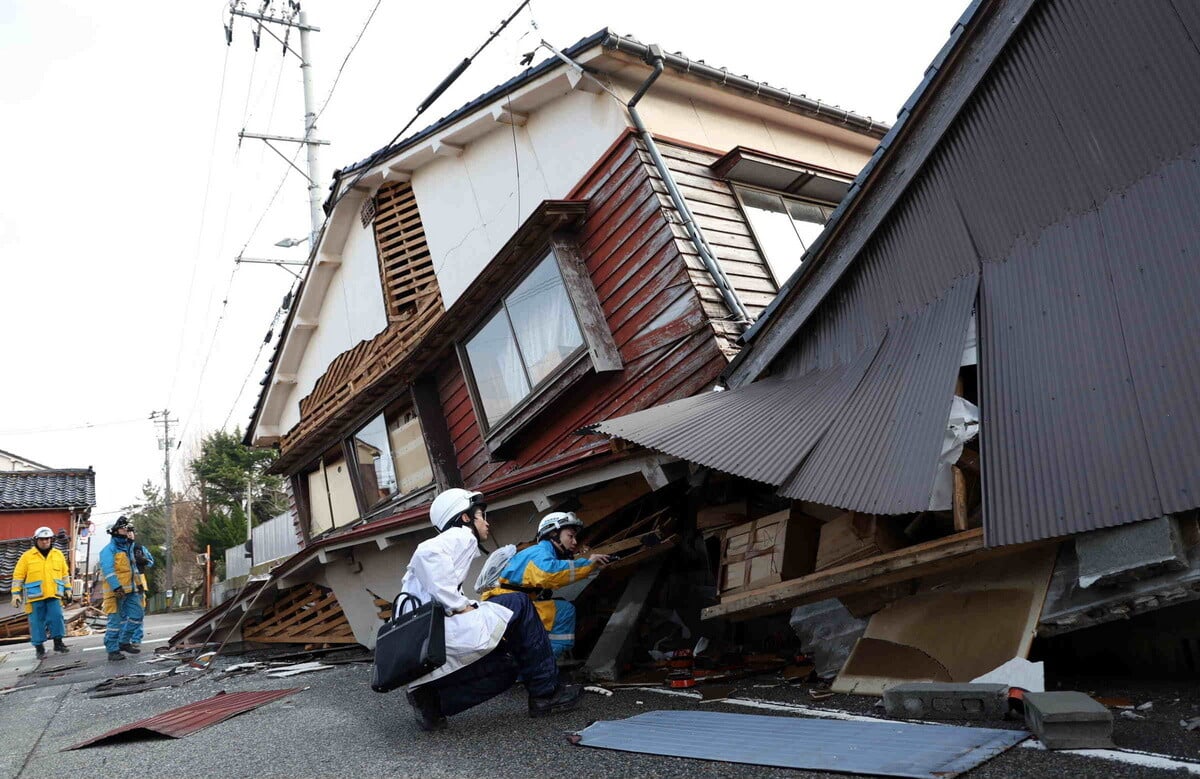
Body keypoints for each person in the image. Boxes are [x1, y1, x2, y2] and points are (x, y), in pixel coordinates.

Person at [400, 488, 583, 731]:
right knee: (519, 603)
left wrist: (460, 605)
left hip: (426, 636)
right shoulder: (460, 535)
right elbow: (426, 553)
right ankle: (546, 694)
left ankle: (431, 702)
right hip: (440, 630)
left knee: (507, 668)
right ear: (466, 517)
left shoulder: (457, 542)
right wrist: (458, 605)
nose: (487, 522)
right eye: (482, 516)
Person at [480, 512, 609, 658]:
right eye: (570, 536)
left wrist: (590, 568)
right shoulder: (539, 552)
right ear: (554, 533)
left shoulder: (541, 553)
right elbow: (550, 573)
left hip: (506, 605)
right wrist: (588, 565)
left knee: (557, 609)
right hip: (507, 606)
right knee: (564, 611)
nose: (574, 542)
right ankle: (540, 663)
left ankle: (536, 662)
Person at [10, 527, 72, 659]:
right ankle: (39, 647)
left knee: (57, 618)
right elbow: (18, 576)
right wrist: (16, 593)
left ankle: (58, 643)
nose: (45, 542)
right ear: (36, 540)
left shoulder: (58, 555)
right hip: (35, 595)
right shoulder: (27, 557)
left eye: (47, 539)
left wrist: (68, 589)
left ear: (52, 540)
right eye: (42, 539)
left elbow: (64, 574)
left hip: (54, 594)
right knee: (36, 622)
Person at [98, 516, 144, 661]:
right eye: (122, 528)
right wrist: (117, 587)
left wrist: (139, 584)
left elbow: (133, 568)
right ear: (114, 531)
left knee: (138, 615)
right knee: (114, 623)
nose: (126, 530)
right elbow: (108, 570)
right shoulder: (108, 550)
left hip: (130, 591)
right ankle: (112, 650)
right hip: (115, 593)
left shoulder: (128, 548)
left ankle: (124, 642)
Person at [126, 527, 155, 648]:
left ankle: (136, 638)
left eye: (132, 532)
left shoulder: (139, 547)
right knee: (126, 612)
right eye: (128, 532)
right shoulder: (120, 549)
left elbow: (151, 561)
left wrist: (143, 559)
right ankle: (126, 638)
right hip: (126, 581)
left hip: (139, 581)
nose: (130, 534)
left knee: (138, 611)